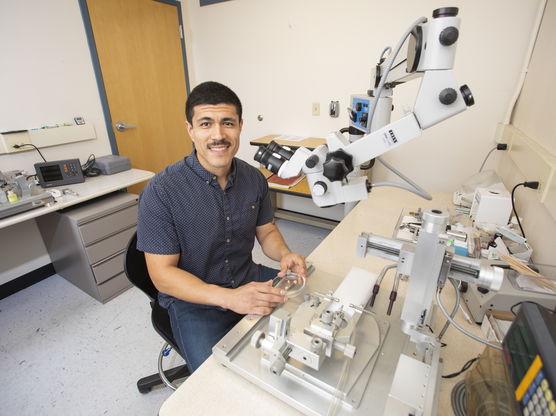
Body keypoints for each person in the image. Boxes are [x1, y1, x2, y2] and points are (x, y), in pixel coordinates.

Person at [137, 81, 307, 372]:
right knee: (218, 380)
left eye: (227, 123)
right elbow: (162, 275)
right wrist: (230, 299)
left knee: (309, 318)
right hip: (194, 301)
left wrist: (284, 255)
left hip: (246, 278)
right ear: (190, 129)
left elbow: (266, 232)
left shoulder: (254, 179)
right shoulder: (162, 191)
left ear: (240, 126)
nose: (218, 135)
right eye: (206, 124)